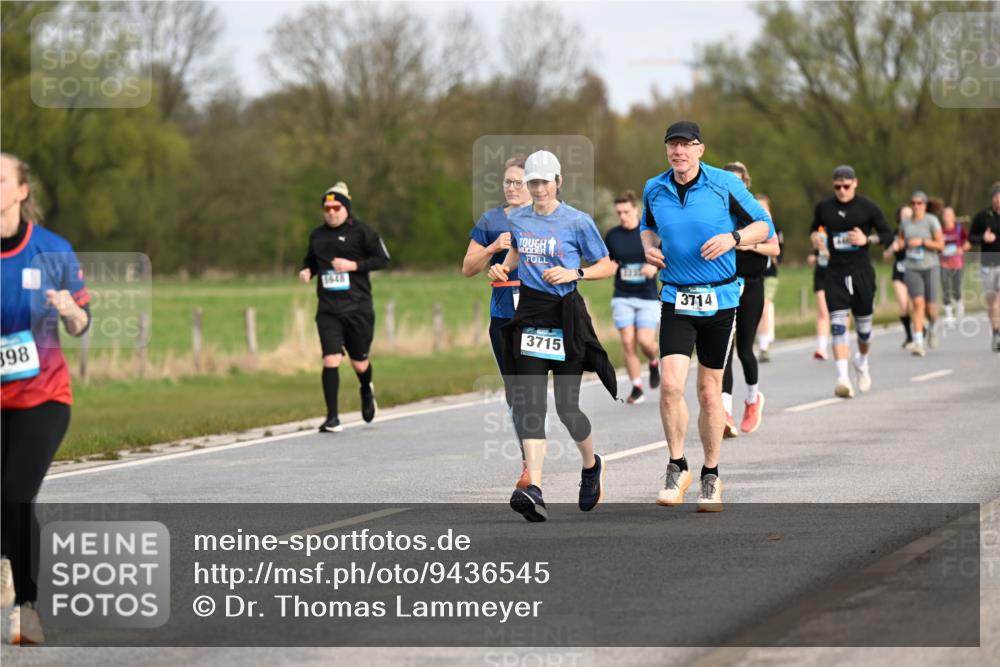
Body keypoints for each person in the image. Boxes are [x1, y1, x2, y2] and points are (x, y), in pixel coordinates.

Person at [640, 122, 773, 512]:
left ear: (700, 148)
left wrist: (734, 239)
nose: (678, 152)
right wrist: (648, 247)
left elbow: (764, 226)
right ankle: (677, 465)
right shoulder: (654, 187)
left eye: (685, 145)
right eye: (672, 146)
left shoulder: (724, 184)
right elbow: (648, 228)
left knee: (709, 392)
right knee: (669, 386)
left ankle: (711, 475)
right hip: (676, 297)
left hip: (720, 299)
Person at [488, 150, 618, 522]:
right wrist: (502, 270)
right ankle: (535, 488)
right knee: (530, 404)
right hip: (529, 315)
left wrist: (573, 273)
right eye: (533, 183)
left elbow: (606, 265)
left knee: (566, 408)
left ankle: (591, 465)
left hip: (566, 317)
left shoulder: (577, 221)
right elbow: (515, 252)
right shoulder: (520, 218)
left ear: (558, 182)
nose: (539, 189)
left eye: (545, 182)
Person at [1, 153, 91, 645]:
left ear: (20, 192)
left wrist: (70, 310)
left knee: (15, 493)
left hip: (43, 396)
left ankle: (27, 609)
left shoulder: (53, 251)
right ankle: (7, 561)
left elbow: (81, 325)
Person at [462, 156, 532, 487]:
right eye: (508, 182)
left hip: (538, 311)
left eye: (518, 182)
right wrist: (493, 247)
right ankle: (528, 461)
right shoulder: (491, 219)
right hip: (503, 315)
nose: (512, 188)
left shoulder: (546, 216)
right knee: (516, 391)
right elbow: (468, 267)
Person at [299, 182, 390, 432]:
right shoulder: (317, 235)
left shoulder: (362, 232)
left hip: (358, 308)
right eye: (326, 207)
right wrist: (308, 270)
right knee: (331, 358)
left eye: (336, 207)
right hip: (328, 309)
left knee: (359, 363)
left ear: (346, 209)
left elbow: (382, 259)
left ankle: (366, 388)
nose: (331, 211)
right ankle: (332, 417)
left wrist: (353, 266)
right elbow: (311, 260)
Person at [810, 165, 893, 398]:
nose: (842, 191)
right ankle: (843, 378)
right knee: (838, 325)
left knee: (864, 330)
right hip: (835, 273)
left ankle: (862, 361)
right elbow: (814, 231)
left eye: (846, 186)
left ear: (855, 183)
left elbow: (888, 235)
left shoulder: (867, 207)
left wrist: (867, 239)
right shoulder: (824, 208)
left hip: (862, 273)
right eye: (837, 187)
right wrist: (816, 239)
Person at [719, 164, 779, 438]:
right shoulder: (719, 211)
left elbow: (775, 248)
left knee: (744, 348)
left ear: (746, 183)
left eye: (738, 181)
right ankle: (725, 413)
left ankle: (753, 400)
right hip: (725, 285)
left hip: (752, 285)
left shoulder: (756, 212)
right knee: (724, 351)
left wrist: (748, 244)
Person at [604, 190, 661, 405]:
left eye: (626, 211)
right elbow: (607, 262)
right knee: (628, 342)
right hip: (623, 295)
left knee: (645, 341)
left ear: (635, 209)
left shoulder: (649, 233)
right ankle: (637, 387)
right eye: (618, 212)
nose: (622, 216)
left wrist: (653, 266)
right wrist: (612, 266)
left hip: (647, 296)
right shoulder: (612, 236)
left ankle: (654, 362)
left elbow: (665, 257)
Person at [899, 191, 944, 357]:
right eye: (913, 203)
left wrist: (922, 242)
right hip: (912, 268)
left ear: (925, 205)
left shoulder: (931, 221)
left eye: (919, 203)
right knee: (917, 304)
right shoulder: (905, 223)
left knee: (931, 309)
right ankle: (918, 343)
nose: (916, 206)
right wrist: (900, 244)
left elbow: (941, 245)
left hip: (931, 267)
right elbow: (901, 239)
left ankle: (932, 328)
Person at [969, 181, 1000, 352]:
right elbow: (971, 237)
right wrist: (983, 238)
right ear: (992, 198)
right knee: (992, 302)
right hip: (988, 264)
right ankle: (996, 332)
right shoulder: (983, 216)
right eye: (996, 196)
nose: (998, 200)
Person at [755, 201, 783, 362]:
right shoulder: (748, 227)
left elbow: (779, 254)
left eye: (764, 207)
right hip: (751, 275)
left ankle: (764, 346)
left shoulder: (775, 228)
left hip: (769, 274)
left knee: (764, 307)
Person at [884, 206, 914, 349]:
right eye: (904, 216)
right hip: (899, 271)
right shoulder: (894, 234)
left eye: (909, 215)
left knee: (914, 305)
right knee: (903, 305)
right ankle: (909, 336)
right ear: (899, 218)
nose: (906, 218)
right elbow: (886, 256)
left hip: (916, 271)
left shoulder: (919, 231)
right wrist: (892, 249)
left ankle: (921, 328)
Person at [939, 206, 969, 327]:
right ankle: (948, 314)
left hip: (957, 262)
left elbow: (967, 241)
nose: (946, 217)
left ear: (953, 216)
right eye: (944, 215)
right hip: (944, 263)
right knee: (945, 287)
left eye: (949, 215)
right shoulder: (939, 230)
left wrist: (962, 248)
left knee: (956, 287)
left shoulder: (959, 229)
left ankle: (959, 304)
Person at [808, 230, 832, 360]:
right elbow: (816, 253)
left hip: (836, 275)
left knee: (839, 313)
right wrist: (813, 258)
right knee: (823, 313)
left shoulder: (837, 230)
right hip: (821, 276)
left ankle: (843, 342)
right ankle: (821, 348)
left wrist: (822, 250)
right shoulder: (819, 229)